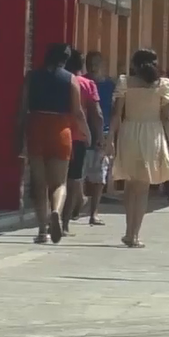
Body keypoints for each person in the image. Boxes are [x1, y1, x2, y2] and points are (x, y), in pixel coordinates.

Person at [14, 43, 88, 244]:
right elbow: (77, 111)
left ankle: (41, 231)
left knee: (40, 184)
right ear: (66, 60)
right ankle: (56, 210)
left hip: (36, 127)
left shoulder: (32, 77)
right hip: (60, 130)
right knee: (59, 182)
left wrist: (19, 136)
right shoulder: (71, 79)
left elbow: (22, 109)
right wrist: (87, 133)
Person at [107, 49, 169, 248]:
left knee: (130, 185)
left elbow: (116, 115)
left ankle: (129, 231)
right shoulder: (163, 84)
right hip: (152, 134)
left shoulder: (124, 82)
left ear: (134, 65)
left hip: (129, 133)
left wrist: (110, 138)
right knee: (143, 188)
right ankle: (135, 235)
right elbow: (167, 117)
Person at [61, 49, 103, 235]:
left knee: (54, 180)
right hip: (78, 137)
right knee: (72, 180)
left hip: (57, 133)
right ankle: (65, 224)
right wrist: (99, 136)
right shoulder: (87, 84)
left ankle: (50, 215)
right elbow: (97, 115)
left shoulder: (60, 81)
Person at [87, 51, 117, 209]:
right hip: (83, 132)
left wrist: (111, 136)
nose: (93, 67)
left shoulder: (109, 85)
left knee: (99, 175)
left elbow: (114, 112)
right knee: (79, 173)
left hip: (103, 133)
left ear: (102, 65)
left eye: (96, 63)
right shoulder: (81, 82)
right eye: (90, 63)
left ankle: (94, 211)